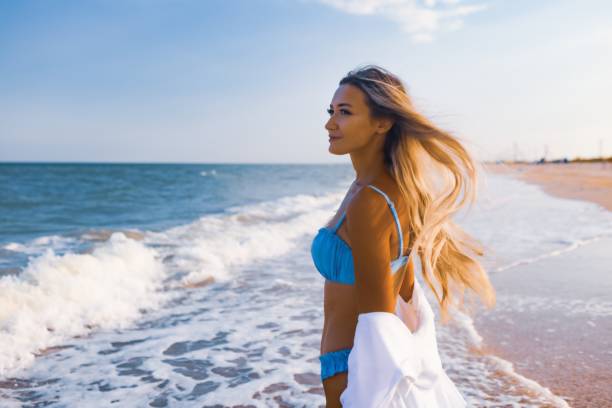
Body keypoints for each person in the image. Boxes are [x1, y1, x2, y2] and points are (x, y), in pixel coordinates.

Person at [310, 65, 496, 407]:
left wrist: (367, 394)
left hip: (352, 371)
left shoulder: (369, 201)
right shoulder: (382, 190)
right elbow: (405, 288)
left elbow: (377, 322)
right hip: (353, 364)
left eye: (345, 113)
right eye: (331, 111)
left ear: (383, 122)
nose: (330, 124)